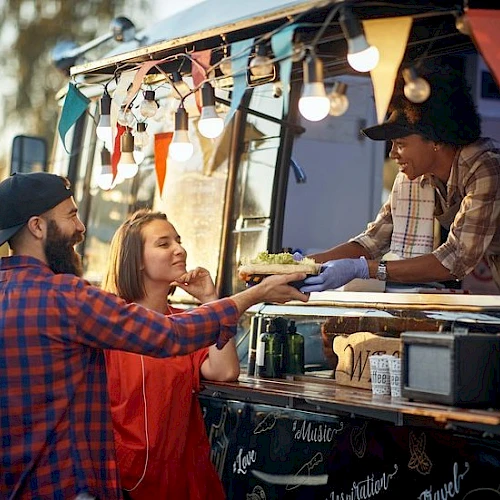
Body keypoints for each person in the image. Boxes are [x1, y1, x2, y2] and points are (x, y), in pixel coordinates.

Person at [0, 172, 308, 500]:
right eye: (72, 215)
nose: (81, 227)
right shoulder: (66, 298)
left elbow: (216, 365)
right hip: (70, 486)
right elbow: (170, 335)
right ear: (37, 227)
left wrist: (211, 300)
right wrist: (256, 293)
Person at [300, 64, 500, 294]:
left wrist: (363, 269)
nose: (392, 154)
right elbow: (374, 240)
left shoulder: (485, 166)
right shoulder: (413, 177)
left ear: (435, 140)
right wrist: (305, 265)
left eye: (401, 144)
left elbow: (456, 258)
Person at [102, 209, 237, 499]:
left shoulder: (185, 322)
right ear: (135, 260)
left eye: (178, 240)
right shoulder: (108, 323)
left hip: (182, 479)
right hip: (124, 480)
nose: (180, 249)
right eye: (164, 244)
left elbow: (225, 371)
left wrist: (211, 302)